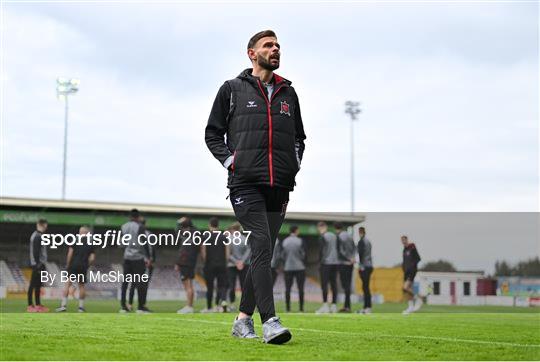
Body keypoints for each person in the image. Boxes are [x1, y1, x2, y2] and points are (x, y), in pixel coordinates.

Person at [205, 29, 306, 344]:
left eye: (278, 46)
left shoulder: (289, 93)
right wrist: (231, 161)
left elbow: (299, 138)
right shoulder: (232, 89)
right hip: (245, 182)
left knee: (263, 253)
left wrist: (294, 163)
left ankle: (242, 319)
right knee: (261, 244)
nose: (275, 49)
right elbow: (212, 134)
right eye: (268, 45)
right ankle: (271, 322)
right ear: (252, 53)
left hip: (280, 186)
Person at [56, 226, 96, 313]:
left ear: (80, 233)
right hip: (83, 266)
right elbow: (92, 258)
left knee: (67, 284)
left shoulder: (75, 240)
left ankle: (63, 305)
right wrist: (87, 264)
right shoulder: (91, 243)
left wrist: (68, 264)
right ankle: (81, 307)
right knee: (81, 286)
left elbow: (70, 253)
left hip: (73, 265)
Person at [119, 209, 151, 313]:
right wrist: (149, 257)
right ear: (138, 217)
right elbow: (144, 243)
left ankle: (124, 307)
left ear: (130, 217)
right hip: (138, 258)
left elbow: (121, 243)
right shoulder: (139, 227)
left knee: (125, 282)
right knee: (140, 282)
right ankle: (140, 307)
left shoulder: (123, 227)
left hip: (127, 258)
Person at [201, 217, 229, 313]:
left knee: (210, 287)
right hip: (221, 264)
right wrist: (224, 261)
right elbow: (227, 253)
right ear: (218, 225)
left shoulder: (206, 236)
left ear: (210, 225)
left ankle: (209, 307)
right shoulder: (224, 237)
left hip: (209, 264)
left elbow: (204, 252)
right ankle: (220, 304)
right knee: (221, 286)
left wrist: (205, 261)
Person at [128, 218, 155, 312]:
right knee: (143, 284)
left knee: (134, 283)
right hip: (146, 262)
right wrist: (151, 260)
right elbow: (152, 249)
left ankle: (130, 304)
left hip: (136, 261)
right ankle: (141, 306)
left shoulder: (134, 234)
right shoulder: (150, 235)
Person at [175, 217, 200, 314]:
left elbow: (182, 250)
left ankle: (189, 306)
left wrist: (177, 263)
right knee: (190, 284)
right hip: (192, 261)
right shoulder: (196, 232)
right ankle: (190, 306)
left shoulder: (182, 233)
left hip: (184, 261)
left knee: (187, 285)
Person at [281, 225, 306, 312]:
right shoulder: (300, 241)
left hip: (288, 267)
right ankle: (301, 309)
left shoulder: (285, 241)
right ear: (296, 231)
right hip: (299, 267)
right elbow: (303, 255)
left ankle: (288, 309)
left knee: (288, 289)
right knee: (301, 288)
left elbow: (282, 255)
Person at [316, 221, 339, 314]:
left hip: (326, 263)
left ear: (320, 227)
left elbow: (321, 251)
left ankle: (325, 305)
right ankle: (334, 305)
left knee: (324, 284)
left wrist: (320, 263)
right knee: (334, 284)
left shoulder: (322, 237)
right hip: (335, 262)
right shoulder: (334, 236)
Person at [227, 222, 251, 311]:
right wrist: (242, 262)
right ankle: (244, 305)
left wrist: (236, 262)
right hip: (244, 265)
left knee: (231, 286)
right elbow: (249, 251)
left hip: (231, 265)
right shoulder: (245, 238)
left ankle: (232, 304)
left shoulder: (229, 239)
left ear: (232, 229)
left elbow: (228, 254)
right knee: (243, 286)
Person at [27, 218, 49, 313]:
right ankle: (30, 305)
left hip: (39, 264)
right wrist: (38, 264)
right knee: (33, 284)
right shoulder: (37, 236)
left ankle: (38, 304)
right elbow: (36, 252)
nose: (46, 228)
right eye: (45, 225)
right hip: (37, 264)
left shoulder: (38, 235)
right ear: (42, 225)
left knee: (38, 285)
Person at [335, 222, 355, 313]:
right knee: (348, 285)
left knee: (345, 285)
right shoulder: (350, 236)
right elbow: (354, 248)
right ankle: (347, 306)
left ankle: (347, 306)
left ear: (335, 228)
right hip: (351, 264)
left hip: (343, 263)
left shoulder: (339, 237)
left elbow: (340, 251)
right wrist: (352, 258)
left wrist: (348, 259)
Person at [401, 235, 422, 314]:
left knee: (405, 287)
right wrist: (403, 268)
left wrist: (413, 267)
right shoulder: (404, 250)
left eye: (404, 240)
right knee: (407, 290)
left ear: (407, 240)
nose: (403, 241)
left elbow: (418, 258)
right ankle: (410, 307)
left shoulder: (412, 246)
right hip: (406, 272)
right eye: (402, 240)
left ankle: (418, 299)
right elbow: (404, 261)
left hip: (412, 271)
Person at [356, 227, 373, 314]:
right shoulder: (368, 241)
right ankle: (366, 306)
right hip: (369, 266)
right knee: (365, 287)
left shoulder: (361, 242)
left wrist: (360, 266)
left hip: (365, 267)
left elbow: (361, 255)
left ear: (360, 232)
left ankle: (368, 307)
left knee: (365, 288)